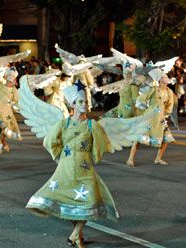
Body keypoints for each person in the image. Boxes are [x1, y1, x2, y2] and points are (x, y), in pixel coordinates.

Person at [25, 82, 120, 248]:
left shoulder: (93, 125)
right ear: (72, 104)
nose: (85, 105)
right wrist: (60, 157)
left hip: (85, 169)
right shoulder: (64, 123)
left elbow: (100, 146)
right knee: (67, 202)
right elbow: (50, 141)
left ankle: (75, 234)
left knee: (90, 201)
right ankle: (78, 236)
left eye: (86, 102)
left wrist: (91, 158)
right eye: (81, 102)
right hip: (65, 168)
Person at [127, 68, 175, 166]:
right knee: (139, 137)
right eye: (164, 77)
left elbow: (170, 105)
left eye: (166, 76)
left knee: (166, 138)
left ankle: (158, 158)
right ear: (160, 80)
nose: (166, 78)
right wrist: (146, 108)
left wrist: (165, 114)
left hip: (161, 118)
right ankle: (130, 159)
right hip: (150, 116)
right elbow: (141, 99)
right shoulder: (153, 89)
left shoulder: (169, 92)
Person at [0, 67, 22, 151]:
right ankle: (0, 142)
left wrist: (12, 104)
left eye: (13, 79)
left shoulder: (14, 90)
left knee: (6, 127)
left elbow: (17, 101)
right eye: (10, 80)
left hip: (7, 112)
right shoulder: (0, 87)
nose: (11, 82)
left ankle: (2, 141)